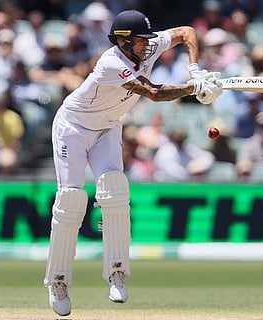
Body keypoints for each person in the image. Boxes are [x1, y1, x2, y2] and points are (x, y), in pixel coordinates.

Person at [44, 9, 222, 317]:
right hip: (73, 127)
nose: (147, 46)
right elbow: (152, 93)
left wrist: (195, 69)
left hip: (109, 125)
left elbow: (186, 32)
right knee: (71, 199)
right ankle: (57, 280)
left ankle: (116, 271)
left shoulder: (148, 45)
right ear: (124, 41)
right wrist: (195, 89)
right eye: (140, 41)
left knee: (115, 191)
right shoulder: (112, 62)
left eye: (147, 40)